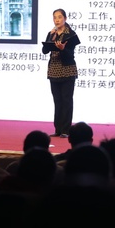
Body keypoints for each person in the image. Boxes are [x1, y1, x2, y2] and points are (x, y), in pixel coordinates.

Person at [42, 8, 81, 138]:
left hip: (67, 70)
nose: (57, 20)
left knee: (66, 100)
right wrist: (50, 37)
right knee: (57, 100)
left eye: (59, 17)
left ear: (65, 18)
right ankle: (58, 129)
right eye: (55, 17)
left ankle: (66, 130)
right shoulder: (52, 33)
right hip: (54, 70)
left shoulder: (71, 34)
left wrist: (63, 49)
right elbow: (45, 51)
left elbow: (70, 54)